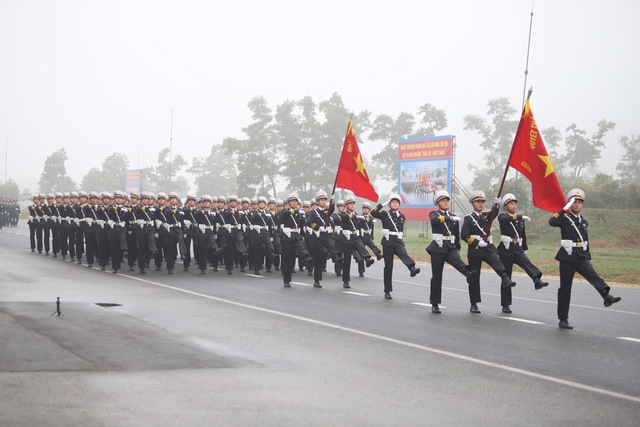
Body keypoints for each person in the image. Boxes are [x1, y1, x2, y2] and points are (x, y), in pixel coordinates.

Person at [549, 188, 621, 329]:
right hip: (567, 257)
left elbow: (585, 239)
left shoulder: (584, 222)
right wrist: (564, 209)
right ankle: (563, 319)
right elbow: (552, 222)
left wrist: (587, 254)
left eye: (579, 202)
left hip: (581, 256)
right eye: (574, 202)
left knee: (594, 276)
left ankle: (606, 297)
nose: (577, 204)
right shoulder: (564, 219)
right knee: (565, 288)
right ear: (570, 203)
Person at [460, 191, 516, 314]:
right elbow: (464, 235)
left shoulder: (486, 216)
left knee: (497, 261)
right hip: (475, 250)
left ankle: (505, 278)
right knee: (475, 276)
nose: (480, 204)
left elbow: (494, 213)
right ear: (473, 203)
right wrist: (476, 242)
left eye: (482, 202)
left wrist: (496, 204)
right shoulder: (469, 218)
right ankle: (474, 303)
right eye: (478, 202)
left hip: (488, 248)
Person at [426, 190, 477, 314]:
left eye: (447, 200)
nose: (445, 202)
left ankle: (468, 274)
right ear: (438, 203)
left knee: (459, 263)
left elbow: (456, 234)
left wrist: (458, 247)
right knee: (437, 276)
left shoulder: (453, 217)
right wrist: (449, 217)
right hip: (438, 248)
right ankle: (435, 303)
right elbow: (435, 220)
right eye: (443, 201)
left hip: (450, 247)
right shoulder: (435, 214)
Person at [497, 193, 549, 313]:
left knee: (527, 263)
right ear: (505, 206)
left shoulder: (520, 220)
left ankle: (537, 280)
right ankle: (505, 304)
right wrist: (519, 217)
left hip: (517, 248)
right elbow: (506, 220)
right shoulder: (503, 217)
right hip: (505, 250)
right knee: (507, 277)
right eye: (511, 204)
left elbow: (523, 235)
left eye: (515, 204)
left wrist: (525, 248)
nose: (514, 206)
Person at [370, 194, 421, 299]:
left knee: (404, 254)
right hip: (388, 242)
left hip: (398, 241)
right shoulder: (385, 214)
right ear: (389, 204)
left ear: (399, 205)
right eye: (393, 202)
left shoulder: (402, 216)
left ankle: (412, 268)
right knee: (388, 267)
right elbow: (373, 213)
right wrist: (382, 204)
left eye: (397, 202)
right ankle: (387, 291)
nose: (395, 204)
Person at [278, 193, 312, 287]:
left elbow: (302, 226)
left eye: (295, 201)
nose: (294, 203)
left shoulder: (299, 214)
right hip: (287, 237)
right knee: (288, 259)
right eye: (292, 201)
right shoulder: (284, 212)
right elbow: (284, 214)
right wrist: (295, 211)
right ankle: (286, 279)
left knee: (302, 250)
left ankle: (307, 259)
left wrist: (304, 234)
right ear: (288, 203)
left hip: (297, 236)